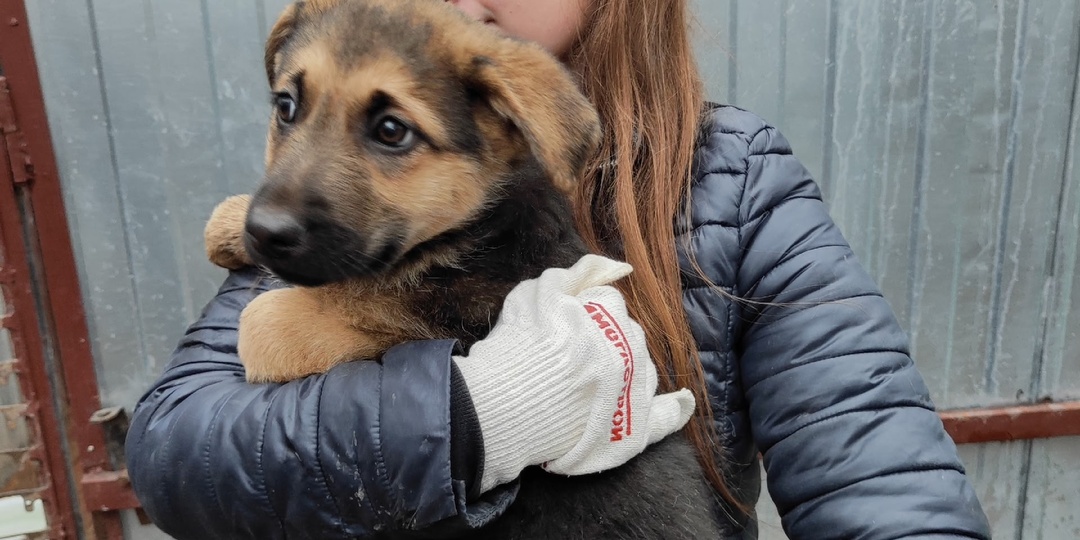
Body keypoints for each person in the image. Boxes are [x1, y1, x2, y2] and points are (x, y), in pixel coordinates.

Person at [124, 0, 993, 538]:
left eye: (392, 132)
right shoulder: (323, 229)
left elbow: (879, 467)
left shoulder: (738, 183)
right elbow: (177, 458)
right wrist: (465, 419)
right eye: (291, 105)